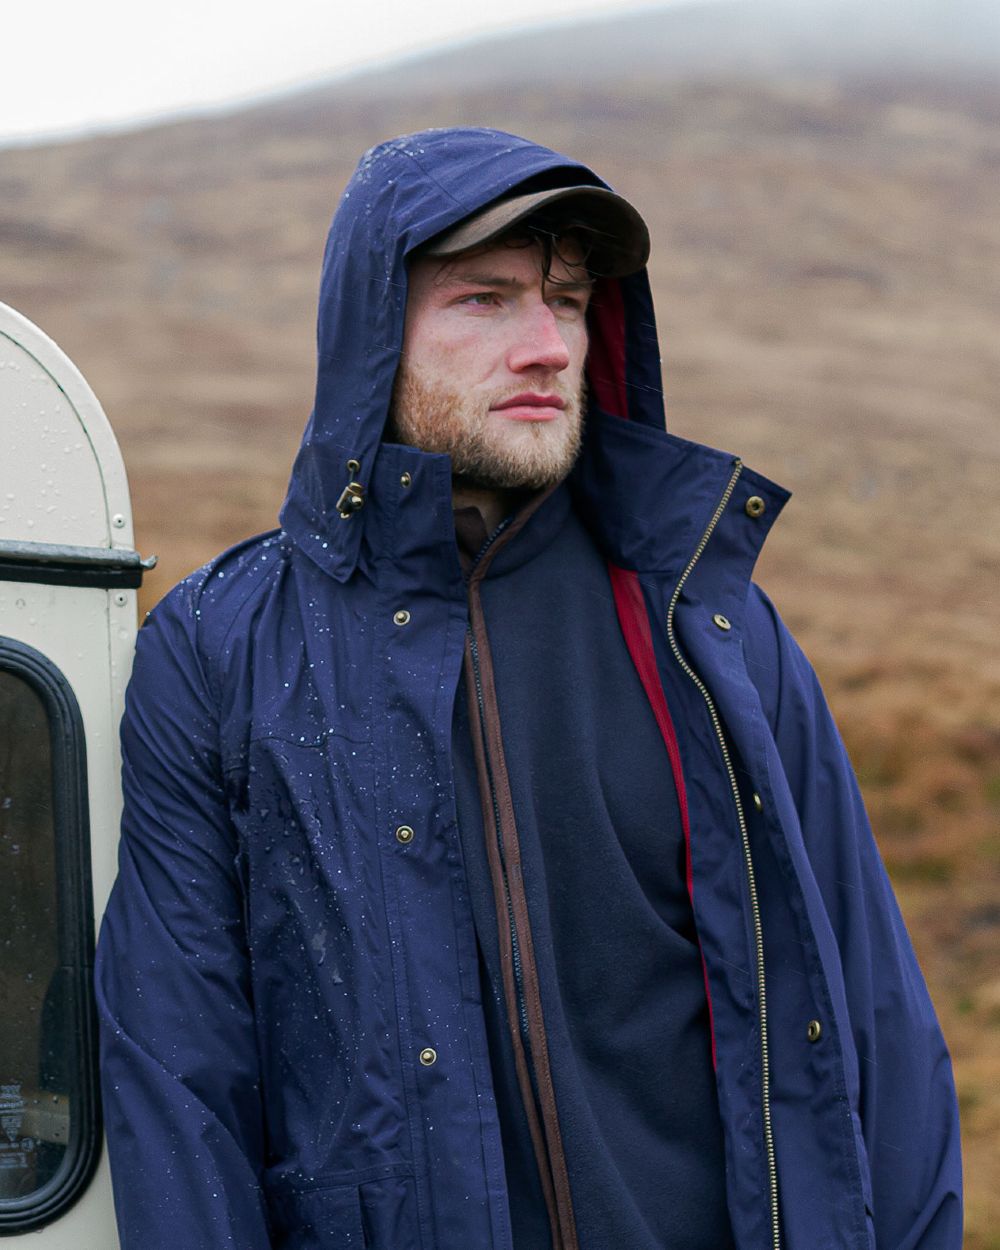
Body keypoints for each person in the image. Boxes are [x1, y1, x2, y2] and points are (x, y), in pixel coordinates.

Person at [95, 127, 962, 1250]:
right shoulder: (221, 650)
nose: (548, 344)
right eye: (485, 299)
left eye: (567, 298)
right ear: (372, 336)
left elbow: (878, 1034)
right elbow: (181, 1081)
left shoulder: (711, 631)